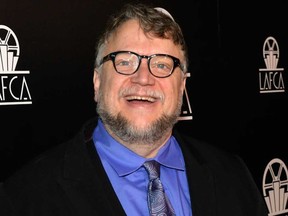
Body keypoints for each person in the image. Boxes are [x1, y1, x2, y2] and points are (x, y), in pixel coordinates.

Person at [0, 2, 268, 216]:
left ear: (182, 86)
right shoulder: (25, 198)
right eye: (125, 62)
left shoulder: (234, 177)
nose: (143, 78)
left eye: (162, 65)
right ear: (97, 81)